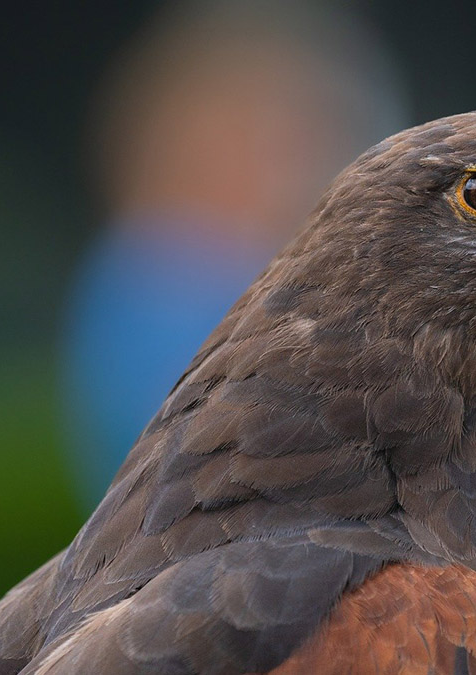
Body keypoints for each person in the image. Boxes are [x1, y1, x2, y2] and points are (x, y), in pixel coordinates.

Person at [61, 0, 410, 508]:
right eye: (281, 135)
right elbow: (229, 446)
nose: (299, 166)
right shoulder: (165, 267)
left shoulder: (226, 264)